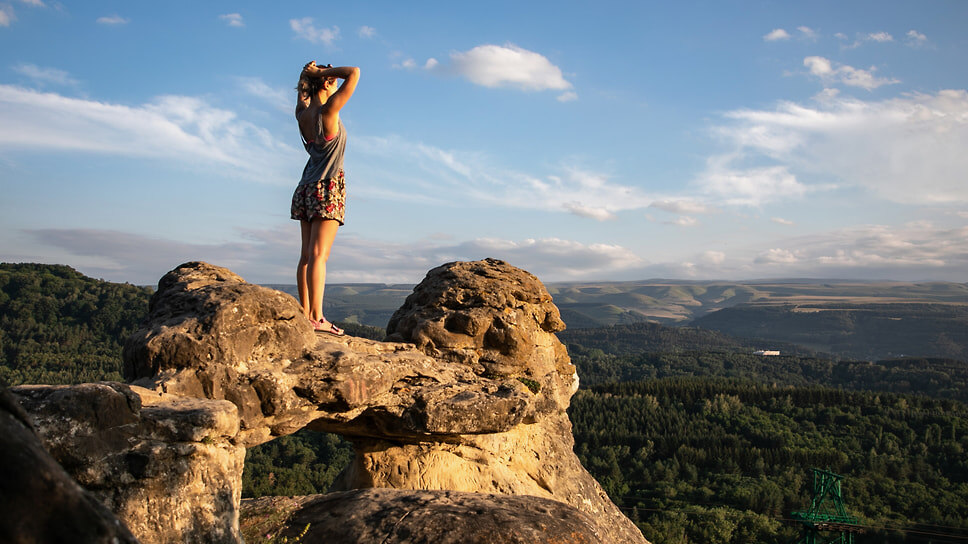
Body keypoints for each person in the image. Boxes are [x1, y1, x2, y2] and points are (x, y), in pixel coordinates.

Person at [291, 61, 360, 335]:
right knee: (320, 255)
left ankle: (306, 314)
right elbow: (354, 72)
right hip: (327, 187)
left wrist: (309, 75)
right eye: (332, 80)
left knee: (306, 256)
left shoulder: (303, 114)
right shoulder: (329, 111)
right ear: (327, 83)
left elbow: (303, 93)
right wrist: (321, 73)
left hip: (306, 186)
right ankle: (318, 318)